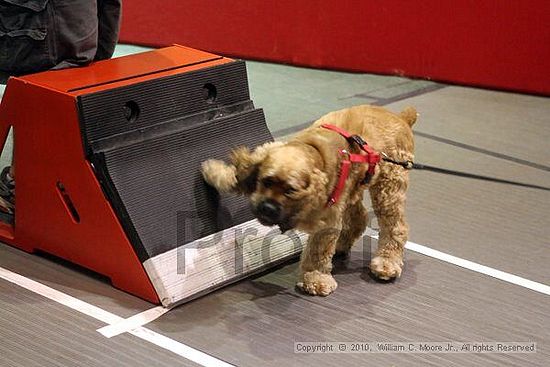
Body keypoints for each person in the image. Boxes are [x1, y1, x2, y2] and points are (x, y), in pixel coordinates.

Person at [0, 0, 122, 215]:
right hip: (81, 24)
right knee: (52, 91)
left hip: (46, 28)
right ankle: (42, 183)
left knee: (34, 89)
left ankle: (23, 185)